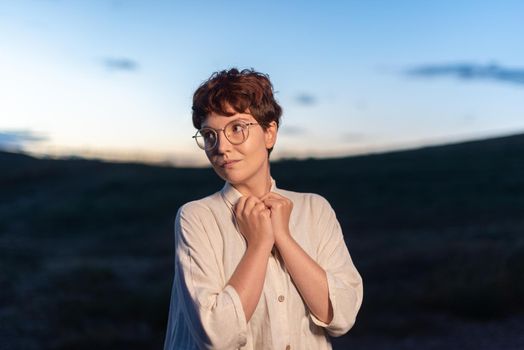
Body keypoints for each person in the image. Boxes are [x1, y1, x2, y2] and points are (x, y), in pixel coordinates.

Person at [163, 68, 363, 350]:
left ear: (269, 133)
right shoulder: (197, 217)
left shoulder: (314, 209)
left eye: (237, 128)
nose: (221, 147)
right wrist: (259, 245)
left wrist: (283, 236)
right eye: (209, 134)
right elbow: (216, 335)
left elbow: (342, 316)